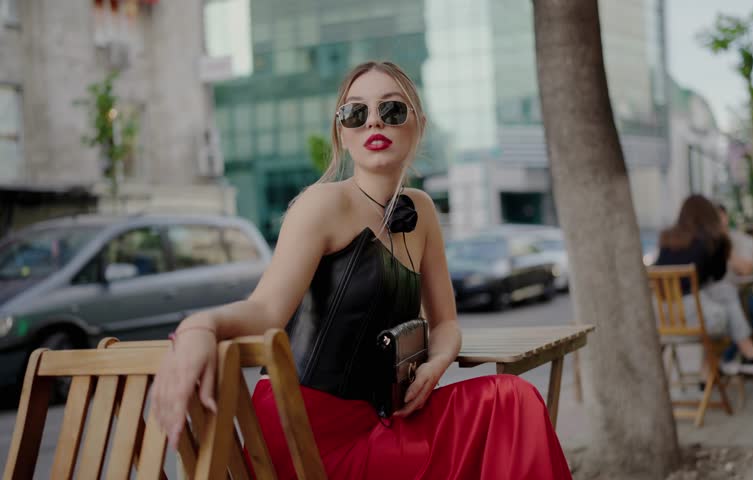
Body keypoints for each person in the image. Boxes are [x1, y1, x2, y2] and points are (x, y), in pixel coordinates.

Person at [150, 61, 572, 480]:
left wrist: (436, 363)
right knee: (508, 407)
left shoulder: (421, 210)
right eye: (356, 113)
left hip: (383, 420)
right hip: (304, 435)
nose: (374, 123)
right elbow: (265, 310)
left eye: (391, 110)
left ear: (418, 125)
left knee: (511, 401)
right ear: (342, 132)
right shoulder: (321, 204)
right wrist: (200, 325)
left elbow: (446, 322)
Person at [655, 195, 753, 378]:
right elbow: (719, 275)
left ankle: (719, 368)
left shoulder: (667, 239)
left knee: (724, 294)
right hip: (695, 319)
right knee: (729, 299)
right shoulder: (711, 240)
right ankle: (739, 360)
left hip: (665, 319)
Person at [717, 204, 753, 363]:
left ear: (726, 218)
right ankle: (724, 362)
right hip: (712, 299)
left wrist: (725, 248)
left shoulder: (739, 240)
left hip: (739, 293)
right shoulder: (702, 243)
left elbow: (746, 269)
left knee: (752, 312)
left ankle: (724, 360)